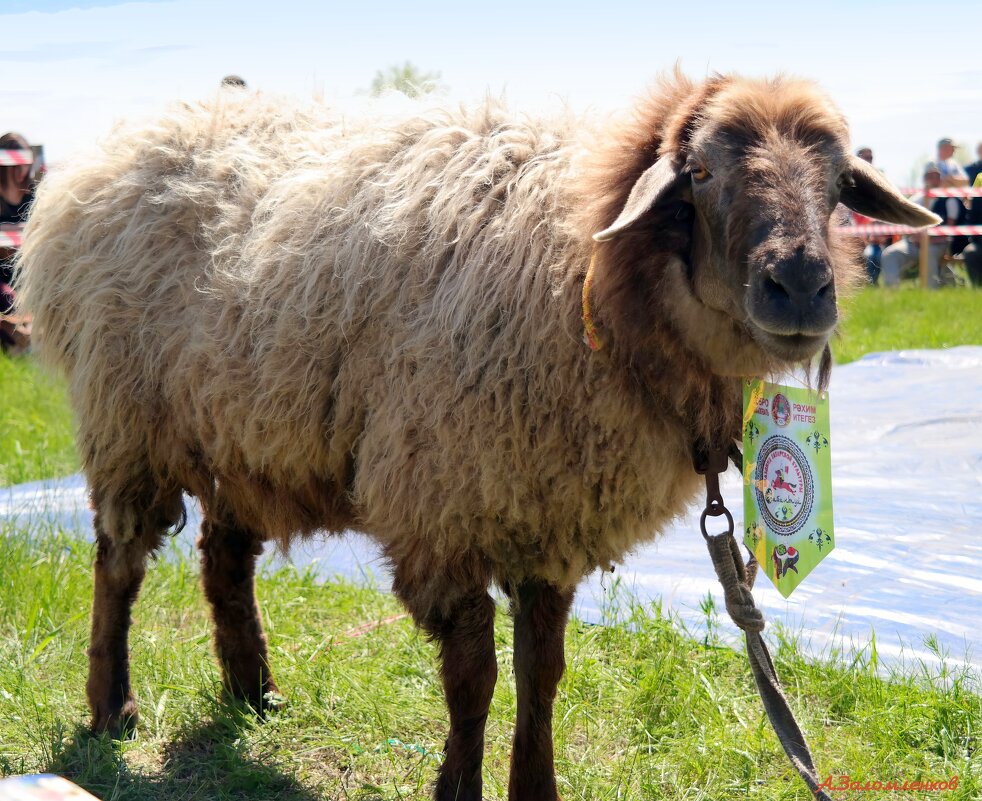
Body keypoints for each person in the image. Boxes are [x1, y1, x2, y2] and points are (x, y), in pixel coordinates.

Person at [879, 163, 957, 288]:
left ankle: (931, 293)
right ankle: (891, 293)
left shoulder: (949, 200)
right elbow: (907, 224)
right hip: (913, 243)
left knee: (929, 253)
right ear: (924, 179)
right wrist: (916, 236)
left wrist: (929, 238)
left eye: (936, 176)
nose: (933, 179)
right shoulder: (915, 200)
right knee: (889, 254)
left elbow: (950, 228)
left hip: (938, 244)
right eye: (929, 176)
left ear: (940, 179)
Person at [0, 131, 35, 352]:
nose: (22, 171)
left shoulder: (35, 198)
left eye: (25, 164)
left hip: (29, 273)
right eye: (16, 165)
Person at [961, 171, 982, 287]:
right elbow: (972, 220)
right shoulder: (980, 177)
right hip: (980, 243)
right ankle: (978, 289)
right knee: (970, 252)